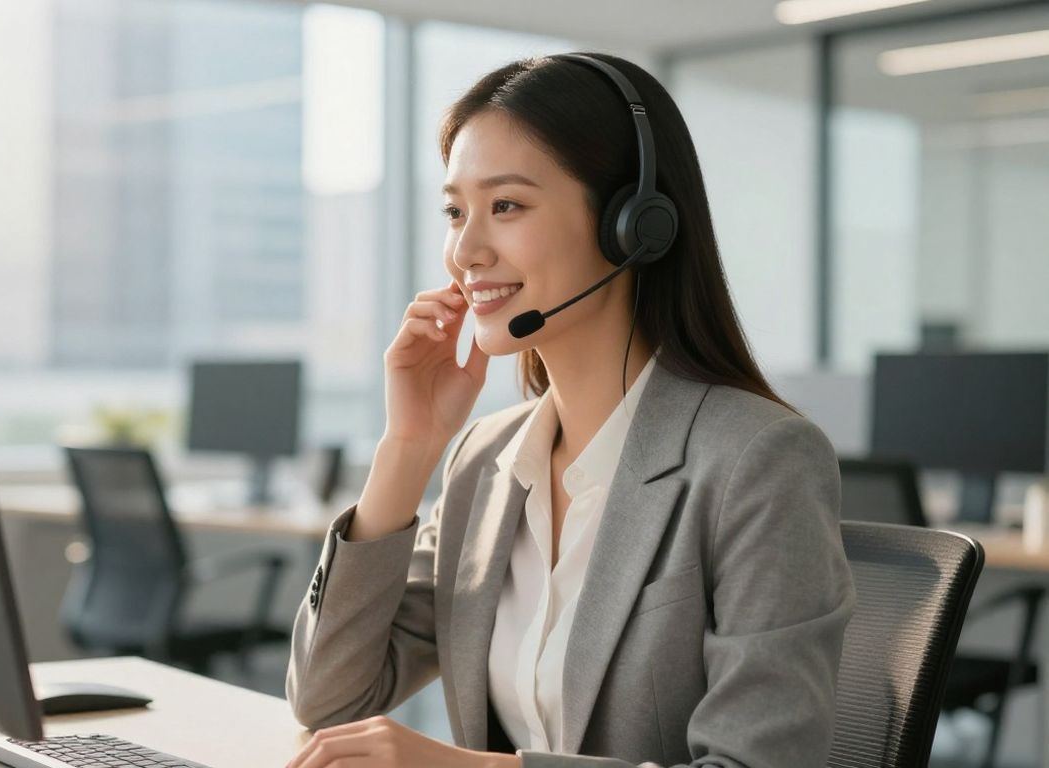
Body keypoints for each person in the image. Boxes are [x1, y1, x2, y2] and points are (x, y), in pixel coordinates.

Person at [284, 52, 854, 768]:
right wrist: (409, 445)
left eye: (507, 206)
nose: (465, 250)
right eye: (455, 211)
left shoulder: (758, 460)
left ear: (632, 226)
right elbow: (328, 699)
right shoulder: (484, 462)